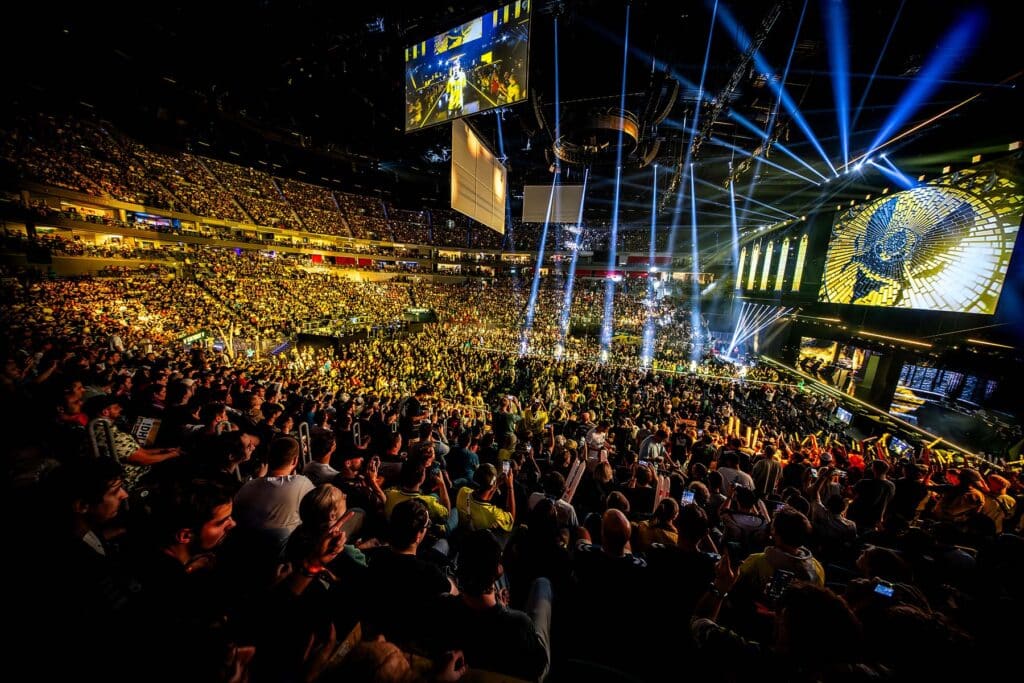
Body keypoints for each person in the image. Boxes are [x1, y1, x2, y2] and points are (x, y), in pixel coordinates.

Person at [429, 530, 550, 681]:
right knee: (542, 584)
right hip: (518, 661)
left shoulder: (442, 606)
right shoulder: (520, 624)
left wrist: (503, 610)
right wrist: (505, 612)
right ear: (499, 570)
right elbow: (538, 667)